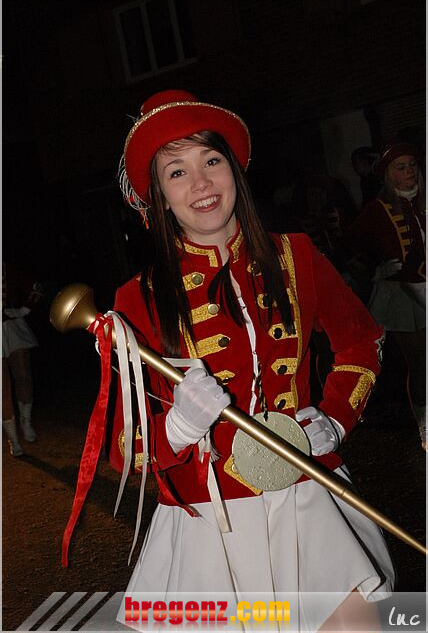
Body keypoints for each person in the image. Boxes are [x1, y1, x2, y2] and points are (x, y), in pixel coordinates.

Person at [66, 90, 396, 631]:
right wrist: (177, 428)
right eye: (177, 172)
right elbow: (127, 449)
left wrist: (335, 419)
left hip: (308, 495)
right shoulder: (136, 299)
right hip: (209, 523)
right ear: (158, 198)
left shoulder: (297, 256)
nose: (200, 183)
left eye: (211, 161)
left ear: (235, 173)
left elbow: (362, 342)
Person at [340, 142, 426, 451]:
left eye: (412, 165)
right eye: (401, 167)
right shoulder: (378, 209)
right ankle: (425, 425)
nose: (409, 171)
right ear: (389, 175)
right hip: (401, 293)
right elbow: (347, 245)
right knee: (419, 363)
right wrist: (374, 270)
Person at [2, 262, 41, 455]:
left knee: (24, 375)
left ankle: (26, 422)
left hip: (11, 324)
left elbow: (36, 287)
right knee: (2, 386)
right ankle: (13, 438)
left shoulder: (6, 266)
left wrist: (23, 310)